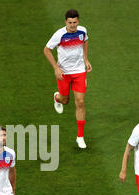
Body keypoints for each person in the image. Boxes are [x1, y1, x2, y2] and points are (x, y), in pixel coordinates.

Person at [44, 9, 92, 149]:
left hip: (79, 72)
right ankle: (57, 97)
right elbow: (46, 50)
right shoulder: (59, 35)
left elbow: (86, 41)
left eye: (75, 22)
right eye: (70, 23)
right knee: (65, 100)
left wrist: (86, 59)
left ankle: (80, 136)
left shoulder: (82, 31)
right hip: (63, 73)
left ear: (78, 21)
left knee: (80, 102)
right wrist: (56, 68)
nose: (72, 25)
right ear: (65, 22)